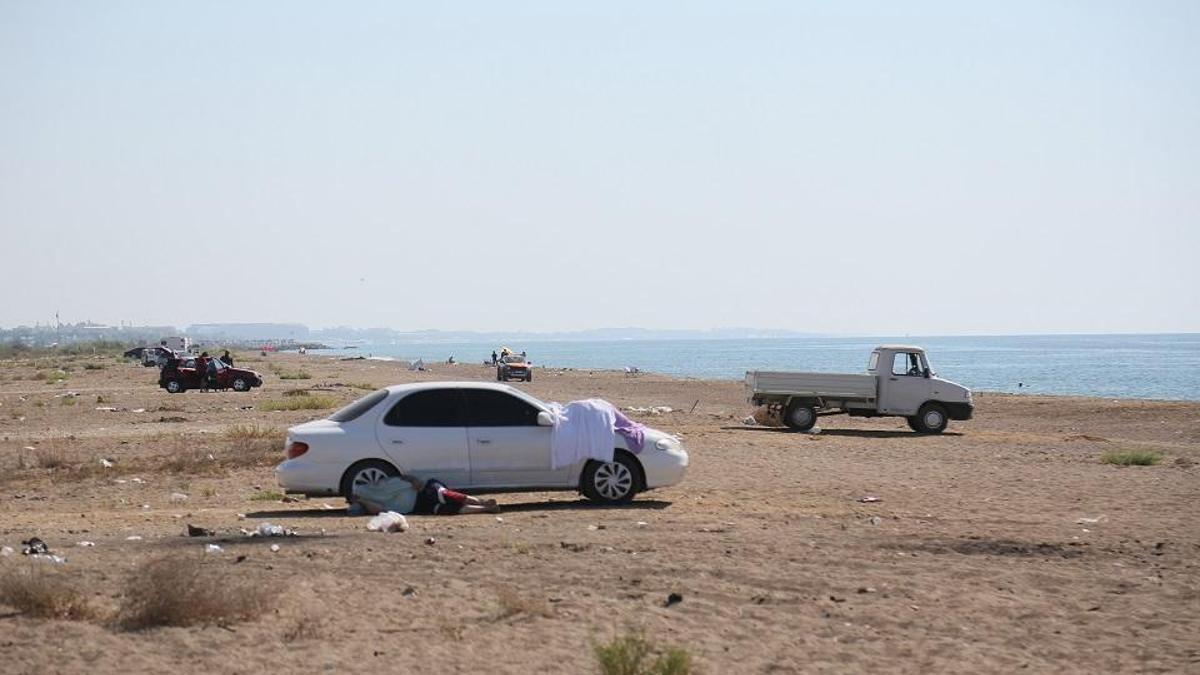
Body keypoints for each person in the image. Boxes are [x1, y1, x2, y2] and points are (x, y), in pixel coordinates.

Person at [405, 474, 499, 515]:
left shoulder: (392, 483)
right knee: (445, 509)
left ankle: (482, 502)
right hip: (422, 505)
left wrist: (414, 482)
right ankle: (486, 508)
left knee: (445, 495)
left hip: (425, 489)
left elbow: (410, 479)